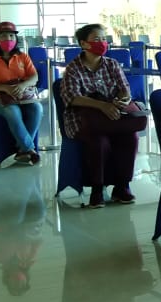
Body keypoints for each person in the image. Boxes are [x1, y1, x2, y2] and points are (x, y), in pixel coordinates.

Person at [60, 23, 147, 208]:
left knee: (130, 138)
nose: (102, 43)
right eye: (96, 39)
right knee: (99, 142)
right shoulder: (73, 69)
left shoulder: (112, 64)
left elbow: (125, 90)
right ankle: (97, 189)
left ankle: (122, 186)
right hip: (83, 120)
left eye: (104, 39)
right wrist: (101, 105)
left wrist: (122, 101)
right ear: (83, 44)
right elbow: (72, 97)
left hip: (112, 117)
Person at [0, 22, 42, 165]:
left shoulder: (23, 57)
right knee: (12, 111)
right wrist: (5, 88)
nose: (8, 39)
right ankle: (29, 149)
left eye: (11, 36)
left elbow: (34, 77)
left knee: (37, 108)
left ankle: (22, 150)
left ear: (16, 39)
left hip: (23, 97)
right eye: (4, 36)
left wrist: (23, 85)